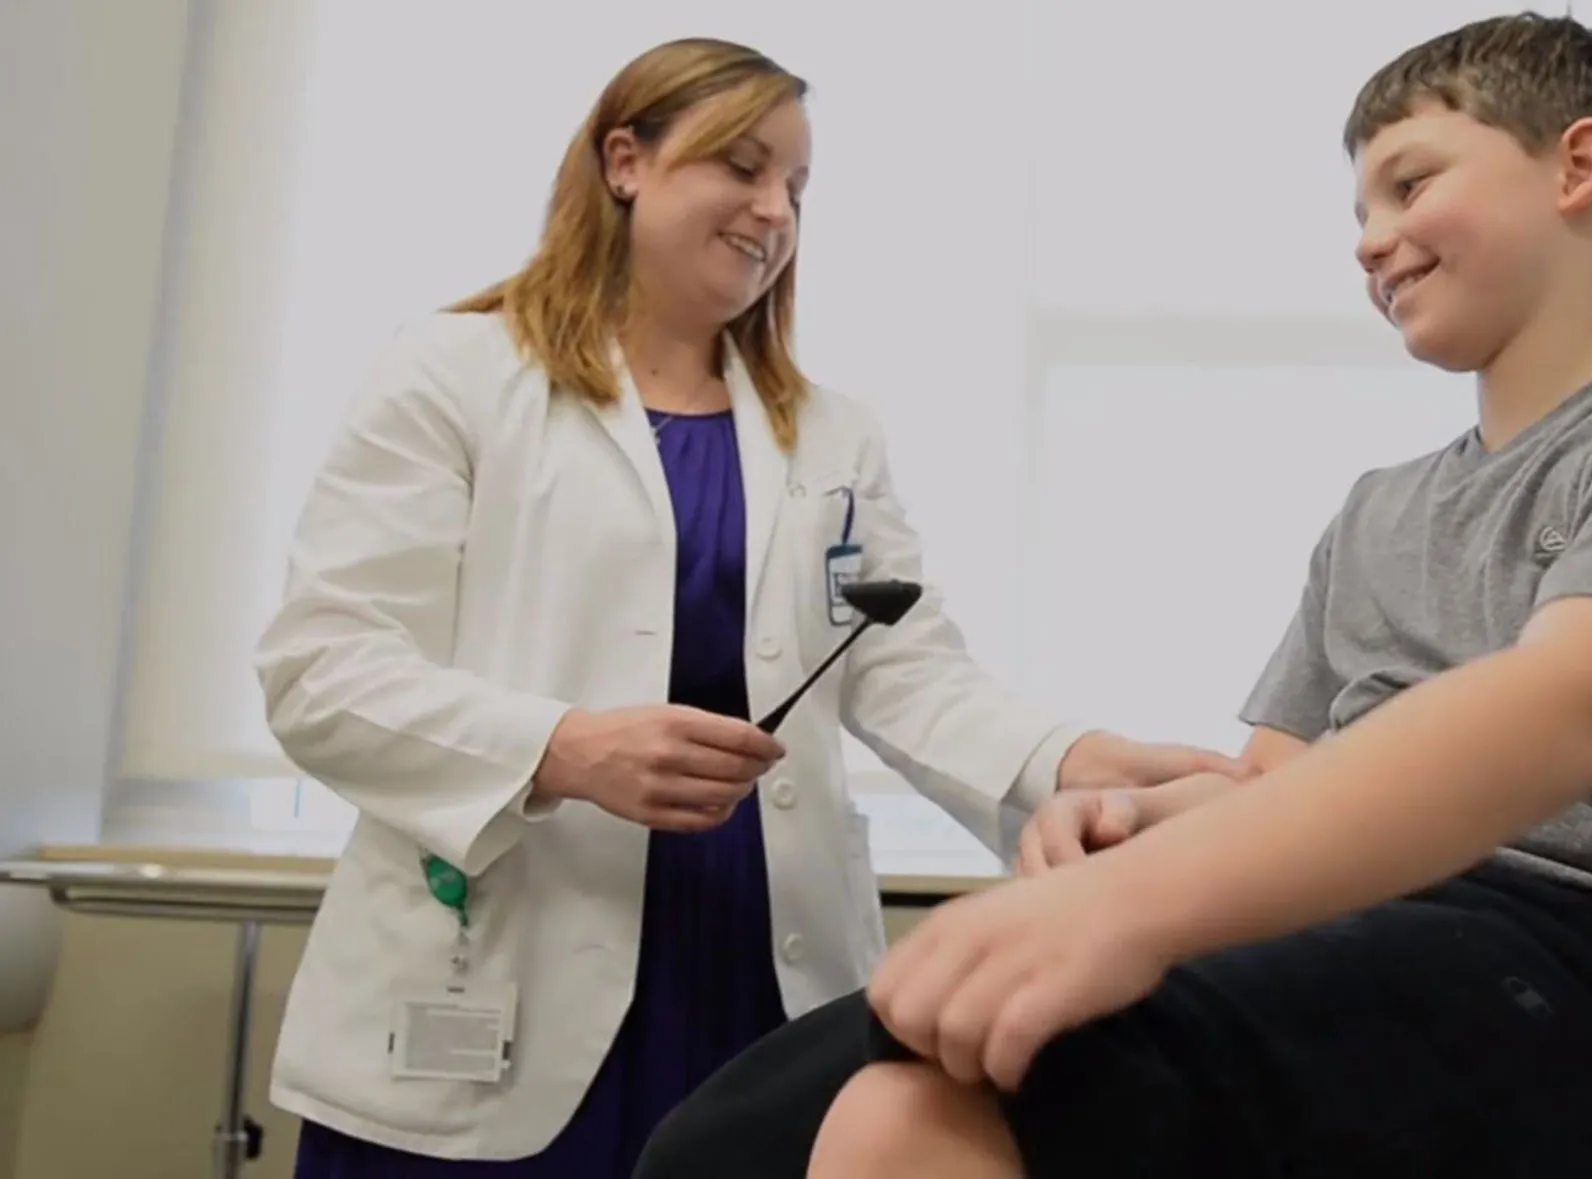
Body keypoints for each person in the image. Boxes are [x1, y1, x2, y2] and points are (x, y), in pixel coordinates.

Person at [632, 13, 1592, 1179]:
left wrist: (1136, 910)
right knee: (721, 1145)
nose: (1370, 240)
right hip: (1361, 914)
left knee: (924, 1110)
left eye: (1410, 185)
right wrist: (1129, 833)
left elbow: (1568, 709)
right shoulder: (1376, 511)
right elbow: (1273, 792)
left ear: (1577, 165)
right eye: (1359, 210)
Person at [252, 37, 1238, 1176]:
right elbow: (321, 670)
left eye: (798, 190)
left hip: (750, 958)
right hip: (508, 935)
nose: (774, 210)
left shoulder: (830, 434)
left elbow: (900, 669)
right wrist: (560, 749)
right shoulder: (453, 377)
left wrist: (1082, 763)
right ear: (625, 160)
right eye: (743, 166)